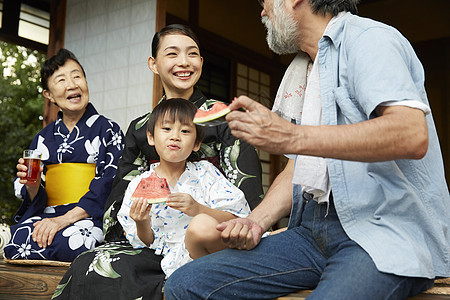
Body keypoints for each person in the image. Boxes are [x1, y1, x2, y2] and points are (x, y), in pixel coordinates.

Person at [164, 0, 450, 299]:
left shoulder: (369, 38)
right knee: (184, 285)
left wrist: (292, 136)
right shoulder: (301, 68)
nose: (262, 12)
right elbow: (297, 168)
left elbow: (411, 134)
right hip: (310, 231)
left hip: (382, 230)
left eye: (265, 2)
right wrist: (256, 221)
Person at [53, 24, 263, 300]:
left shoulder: (225, 117)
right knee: (92, 266)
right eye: (172, 54)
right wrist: (137, 226)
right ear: (154, 63)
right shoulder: (141, 127)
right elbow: (122, 195)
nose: (184, 62)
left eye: (192, 54)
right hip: (153, 239)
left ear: (201, 62)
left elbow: (246, 193)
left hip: (212, 235)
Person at [4, 49, 124, 262]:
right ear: (49, 95)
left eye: (77, 76)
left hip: (89, 217)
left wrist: (64, 220)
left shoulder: (109, 130)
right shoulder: (43, 138)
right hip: (48, 216)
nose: (72, 84)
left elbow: (109, 183)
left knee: (75, 242)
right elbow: (33, 192)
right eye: (61, 79)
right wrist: (31, 185)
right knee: (17, 240)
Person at [118, 98, 250, 277]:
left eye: (185, 131)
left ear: (196, 143)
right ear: (151, 137)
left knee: (201, 224)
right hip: (174, 259)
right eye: (166, 129)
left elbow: (237, 219)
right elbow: (148, 242)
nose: (175, 136)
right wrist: (141, 223)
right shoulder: (139, 184)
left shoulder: (206, 173)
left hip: (212, 250)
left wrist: (198, 209)